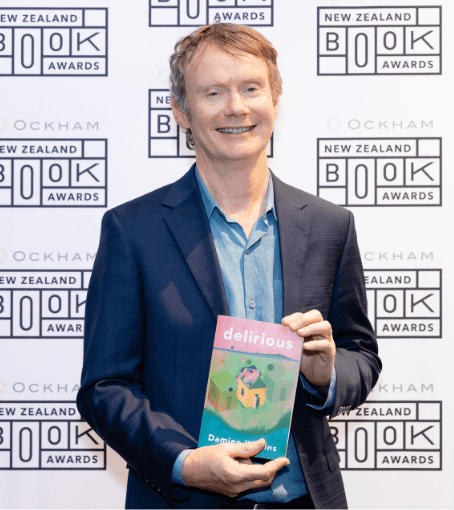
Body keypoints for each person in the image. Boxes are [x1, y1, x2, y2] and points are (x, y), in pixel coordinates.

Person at [77, 23, 381, 509]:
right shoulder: (132, 231)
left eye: (251, 88)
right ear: (182, 111)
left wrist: (324, 375)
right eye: (213, 92)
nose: (236, 107)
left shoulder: (330, 227)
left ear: (276, 100)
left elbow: (360, 356)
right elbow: (104, 388)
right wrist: (184, 463)